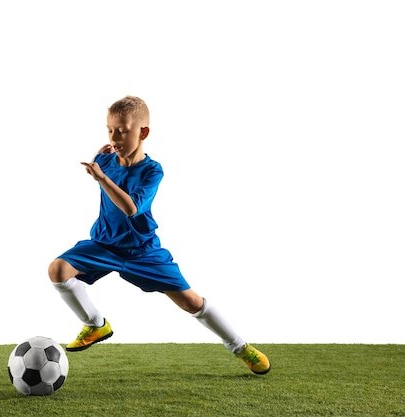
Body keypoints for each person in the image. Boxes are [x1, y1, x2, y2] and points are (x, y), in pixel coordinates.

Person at [48, 96, 270, 374]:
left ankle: (240, 346)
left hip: (142, 251)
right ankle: (95, 324)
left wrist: (102, 177)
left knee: (191, 302)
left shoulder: (152, 170)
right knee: (58, 269)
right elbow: (103, 166)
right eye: (110, 129)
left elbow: (131, 208)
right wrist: (100, 163)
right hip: (103, 245)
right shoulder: (105, 160)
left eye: (122, 130)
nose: (114, 136)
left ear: (143, 132)